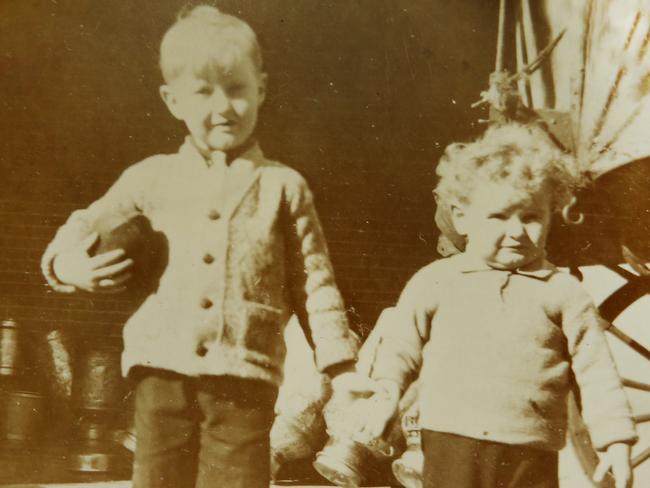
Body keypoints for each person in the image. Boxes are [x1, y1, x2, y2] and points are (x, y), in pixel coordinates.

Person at [40, 6, 358, 488]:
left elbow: (316, 281)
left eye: (237, 90)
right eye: (203, 92)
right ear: (172, 100)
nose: (223, 107)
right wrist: (67, 265)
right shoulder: (150, 178)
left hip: (245, 380)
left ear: (262, 90)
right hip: (160, 373)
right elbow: (85, 224)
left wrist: (342, 366)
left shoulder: (283, 187)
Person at [351, 123, 637, 488]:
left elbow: (597, 372)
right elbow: (400, 345)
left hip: (531, 451)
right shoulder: (437, 281)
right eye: (499, 217)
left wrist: (615, 441)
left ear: (551, 216)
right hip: (450, 440)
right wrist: (387, 389)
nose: (517, 231)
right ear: (462, 216)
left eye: (531, 217)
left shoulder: (564, 293)